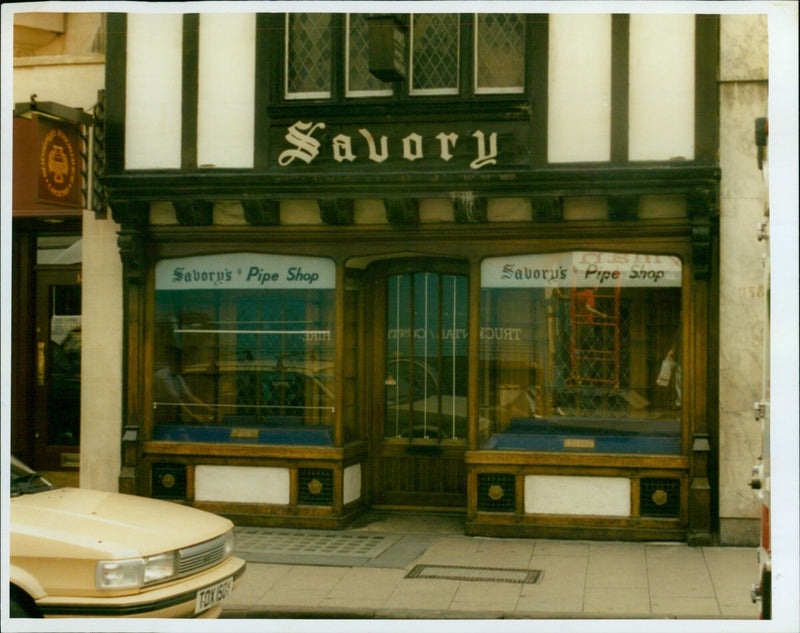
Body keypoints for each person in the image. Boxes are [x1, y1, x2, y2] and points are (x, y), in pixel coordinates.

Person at [153, 345, 214, 422]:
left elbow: (189, 396)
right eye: (185, 363)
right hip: (162, 417)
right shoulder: (162, 377)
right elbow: (175, 401)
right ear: (178, 363)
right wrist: (192, 415)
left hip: (173, 415)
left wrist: (209, 409)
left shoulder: (178, 377)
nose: (186, 366)